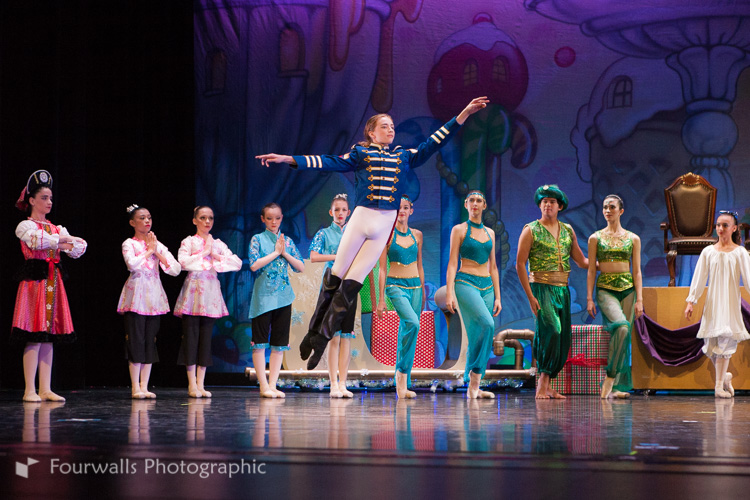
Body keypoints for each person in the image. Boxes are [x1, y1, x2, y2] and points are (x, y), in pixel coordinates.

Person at [257, 97, 489, 370]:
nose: (391, 130)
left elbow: (435, 142)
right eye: (385, 126)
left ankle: (320, 339)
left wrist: (464, 112)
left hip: (383, 225)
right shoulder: (361, 154)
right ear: (371, 132)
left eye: (392, 126)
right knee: (335, 278)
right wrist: (289, 159)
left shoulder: (403, 156)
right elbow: (330, 161)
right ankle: (312, 331)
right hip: (362, 218)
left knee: (351, 286)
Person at [12, 170, 87, 402]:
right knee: (34, 335)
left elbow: (79, 247)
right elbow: (36, 241)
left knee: (49, 335)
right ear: (32, 200)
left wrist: (62, 241)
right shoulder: (25, 226)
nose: (49, 202)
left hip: (53, 281)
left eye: (51, 198)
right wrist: (61, 242)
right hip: (35, 282)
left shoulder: (56, 228)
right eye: (44, 198)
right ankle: (29, 390)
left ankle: (45, 388)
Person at [516, 185, 588, 399]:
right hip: (541, 287)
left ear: (560, 206)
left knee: (562, 337)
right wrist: (530, 296)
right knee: (551, 330)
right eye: (544, 201)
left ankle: (548, 385)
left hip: (562, 289)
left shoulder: (567, 230)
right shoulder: (531, 230)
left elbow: (581, 261)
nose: (548, 204)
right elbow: (520, 264)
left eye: (552, 201)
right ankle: (541, 383)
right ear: (540, 205)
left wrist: (606, 262)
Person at [174, 206, 242, 398]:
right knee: (191, 338)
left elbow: (236, 263)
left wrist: (215, 256)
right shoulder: (189, 242)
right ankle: (191, 384)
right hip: (193, 295)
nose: (207, 221)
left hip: (210, 295)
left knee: (205, 340)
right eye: (203, 217)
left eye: (210, 218)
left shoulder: (218, 244)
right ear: (195, 220)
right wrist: (204, 253)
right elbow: (183, 263)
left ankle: (201, 384)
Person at [117, 204, 181, 399]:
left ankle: (144, 386)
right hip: (136, 296)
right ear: (132, 222)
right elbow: (132, 265)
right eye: (142, 218)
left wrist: (156, 251)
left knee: (149, 341)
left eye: (149, 217)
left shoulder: (156, 244)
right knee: (136, 340)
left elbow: (175, 269)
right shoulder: (129, 243)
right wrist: (147, 251)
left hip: (153, 297)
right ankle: (135, 387)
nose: (147, 221)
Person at [684, 210, 750, 398]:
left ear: (734, 228)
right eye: (718, 225)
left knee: (724, 342)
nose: (720, 229)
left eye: (725, 225)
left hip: (729, 303)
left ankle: (718, 386)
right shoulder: (708, 252)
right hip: (713, 303)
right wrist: (691, 301)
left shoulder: (740, 252)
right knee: (711, 346)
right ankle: (725, 377)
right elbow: (699, 277)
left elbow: (748, 278)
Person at [445, 190, 502, 399]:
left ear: (484, 205)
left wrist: (498, 296)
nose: (475, 204)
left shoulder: (490, 233)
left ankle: (474, 387)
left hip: (487, 285)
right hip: (465, 282)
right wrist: (449, 291)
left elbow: (493, 266)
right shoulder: (459, 230)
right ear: (466, 205)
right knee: (488, 324)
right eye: (471, 201)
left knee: (479, 335)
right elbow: (452, 263)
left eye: (479, 201)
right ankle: (474, 376)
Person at [586, 195, 642, 399]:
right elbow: (591, 270)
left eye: (612, 207)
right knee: (621, 326)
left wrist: (640, 299)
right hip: (606, 289)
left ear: (621, 211)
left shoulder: (633, 238)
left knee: (623, 336)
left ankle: (617, 387)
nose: (607, 210)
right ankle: (609, 377)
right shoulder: (595, 238)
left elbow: (637, 271)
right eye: (605, 207)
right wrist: (589, 298)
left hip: (628, 289)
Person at [248, 203, 305, 398]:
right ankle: (263, 386)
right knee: (259, 343)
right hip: (263, 298)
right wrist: (275, 253)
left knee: (279, 344)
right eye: (270, 218)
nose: (274, 222)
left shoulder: (286, 241)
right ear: (263, 219)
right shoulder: (257, 239)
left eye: (277, 218)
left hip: (283, 297)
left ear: (282, 218)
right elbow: (254, 265)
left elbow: (300, 267)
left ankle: (272, 385)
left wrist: (284, 252)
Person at [376, 195, 425, 399]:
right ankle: (401, 373)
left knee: (408, 331)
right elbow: (381, 269)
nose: (402, 211)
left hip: (416, 287)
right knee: (413, 323)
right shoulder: (386, 235)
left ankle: (403, 383)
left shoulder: (417, 235)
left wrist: (423, 292)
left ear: (411, 211)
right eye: (398, 208)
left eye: (405, 208)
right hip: (395, 285)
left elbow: (420, 265)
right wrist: (381, 299)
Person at [310, 194, 356, 398]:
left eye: (344, 210)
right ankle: (333, 384)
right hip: (331, 285)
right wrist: (338, 257)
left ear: (349, 212)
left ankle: (343, 383)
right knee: (333, 337)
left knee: (346, 336)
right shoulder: (324, 234)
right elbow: (313, 256)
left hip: (350, 284)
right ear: (331, 212)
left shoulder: (354, 233)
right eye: (337, 210)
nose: (340, 213)